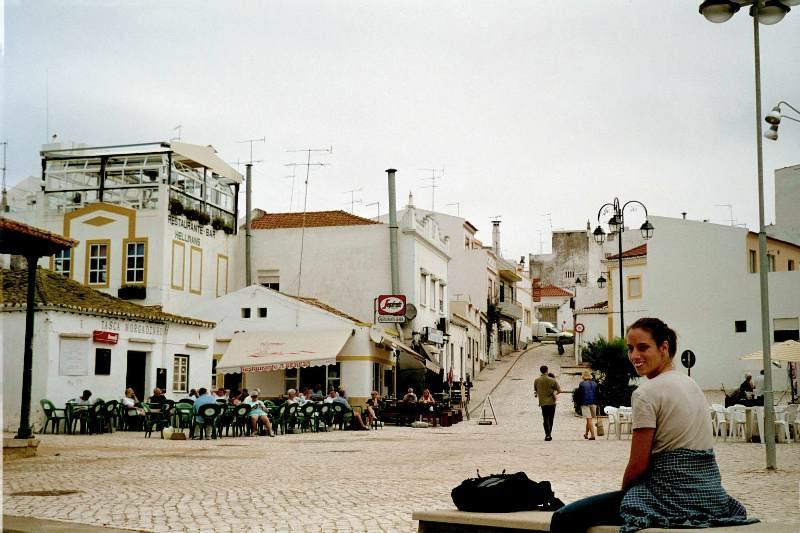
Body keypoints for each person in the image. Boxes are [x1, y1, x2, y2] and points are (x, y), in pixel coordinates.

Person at [550, 317, 756, 533]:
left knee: (564, 518)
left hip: (669, 497)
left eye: (643, 347)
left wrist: (626, 496)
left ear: (663, 347)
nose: (634, 356)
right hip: (709, 495)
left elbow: (638, 464)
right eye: (630, 349)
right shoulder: (691, 384)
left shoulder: (645, 393)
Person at [533, 366, 560, 441]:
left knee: (545, 418)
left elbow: (535, 390)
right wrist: (554, 393)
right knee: (551, 418)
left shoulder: (537, 380)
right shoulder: (552, 380)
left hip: (543, 402)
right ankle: (549, 434)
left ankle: (547, 434)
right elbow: (559, 390)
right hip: (552, 402)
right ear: (547, 370)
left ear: (540, 371)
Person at [578, 371, 598, 440]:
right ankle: (586, 434)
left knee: (589, 419)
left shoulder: (582, 384)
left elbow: (579, 395)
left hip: (585, 403)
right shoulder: (595, 383)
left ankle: (592, 435)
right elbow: (597, 394)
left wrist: (579, 403)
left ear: (583, 376)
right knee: (589, 419)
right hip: (593, 402)